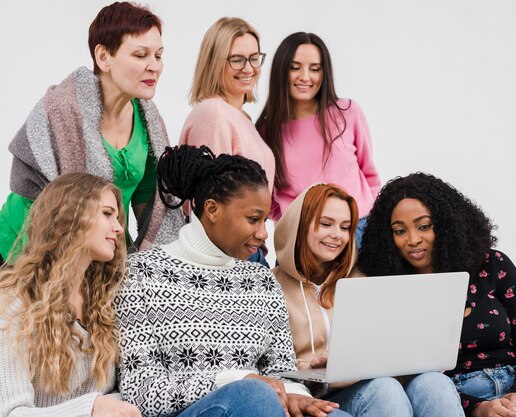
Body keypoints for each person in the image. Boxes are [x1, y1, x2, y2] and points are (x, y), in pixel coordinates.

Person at [115, 145, 351, 417]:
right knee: (253, 396)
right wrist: (233, 380)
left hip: (260, 406)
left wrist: (296, 395)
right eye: (253, 219)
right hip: (191, 412)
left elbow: (279, 370)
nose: (263, 234)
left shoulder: (261, 279)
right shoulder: (141, 274)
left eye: (265, 220)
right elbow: (140, 392)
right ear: (212, 209)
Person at [0, 1, 183, 297]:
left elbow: (153, 209)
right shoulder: (62, 109)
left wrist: (148, 268)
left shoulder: (150, 121)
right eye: (140, 54)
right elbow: (47, 197)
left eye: (159, 55)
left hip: (91, 267)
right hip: (14, 256)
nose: (154, 66)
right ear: (103, 56)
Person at [356, 172, 516, 417]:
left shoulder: (493, 264)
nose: (413, 240)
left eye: (424, 226)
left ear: (446, 224)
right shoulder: (392, 289)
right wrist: (479, 408)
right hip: (451, 398)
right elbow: (405, 375)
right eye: (399, 231)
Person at [274, 183, 466, 417]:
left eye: (345, 227)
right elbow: (267, 363)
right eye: (326, 224)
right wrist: (316, 367)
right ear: (299, 225)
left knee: (420, 384)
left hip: (359, 388)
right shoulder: (270, 285)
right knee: (384, 390)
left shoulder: (362, 280)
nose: (337, 235)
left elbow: (387, 347)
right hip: (306, 396)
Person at [0, 173, 140, 417]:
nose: (119, 228)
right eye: (107, 214)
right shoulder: (10, 304)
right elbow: (4, 413)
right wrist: (90, 408)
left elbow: (119, 393)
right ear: (73, 217)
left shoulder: (103, 302)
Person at [256, 32, 380, 247]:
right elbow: (269, 197)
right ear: (281, 71)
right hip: (302, 238)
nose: (305, 77)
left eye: (315, 69)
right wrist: (289, 226)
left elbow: (370, 174)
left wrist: (371, 223)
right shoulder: (268, 129)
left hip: (359, 230)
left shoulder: (348, 112)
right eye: (295, 68)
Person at [179, 17, 274, 266]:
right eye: (236, 59)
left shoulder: (241, 117)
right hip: (228, 256)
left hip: (249, 250)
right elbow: (209, 206)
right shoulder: (214, 114)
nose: (249, 68)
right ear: (214, 63)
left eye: (254, 58)